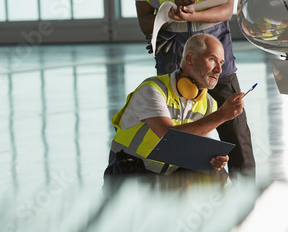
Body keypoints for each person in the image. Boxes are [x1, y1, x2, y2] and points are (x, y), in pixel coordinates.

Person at [134, 0, 255, 178]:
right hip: (174, 63)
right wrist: (167, 10)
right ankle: (187, 196)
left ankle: (247, 195)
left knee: (235, 131)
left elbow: (227, 9)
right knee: (180, 141)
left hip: (215, 60)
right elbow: (143, 20)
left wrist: (192, 14)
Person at [103, 34, 244, 185]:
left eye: (221, 63)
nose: (219, 70)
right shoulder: (152, 90)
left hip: (167, 174)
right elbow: (169, 138)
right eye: (212, 59)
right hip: (129, 171)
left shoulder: (208, 103)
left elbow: (202, 149)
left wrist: (215, 159)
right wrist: (221, 116)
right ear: (190, 59)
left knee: (216, 175)